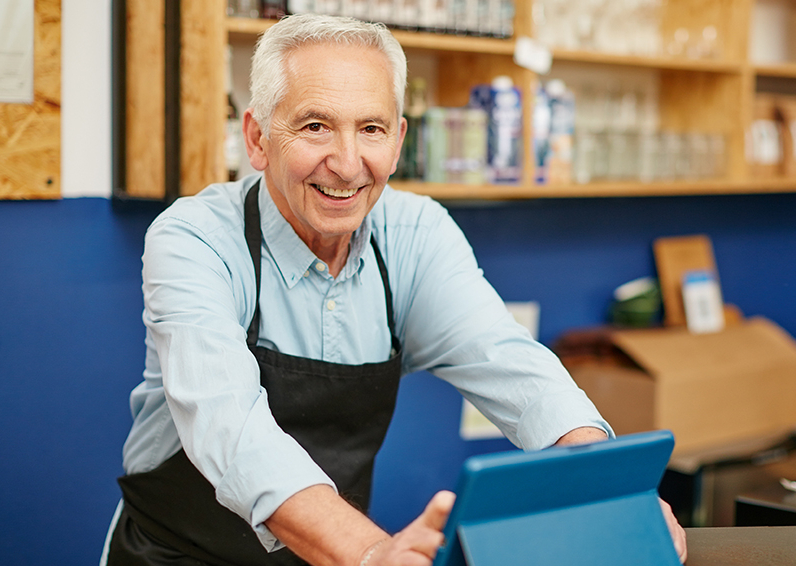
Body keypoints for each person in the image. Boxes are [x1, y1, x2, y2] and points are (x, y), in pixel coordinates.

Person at [103, 13, 686, 566]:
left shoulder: (416, 234)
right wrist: (369, 552)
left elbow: (514, 367)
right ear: (257, 138)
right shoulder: (195, 239)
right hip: (179, 554)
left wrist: (606, 488)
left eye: (372, 129)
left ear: (399, 141)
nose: (348, 163)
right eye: (315, 126)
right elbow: (229, 428)